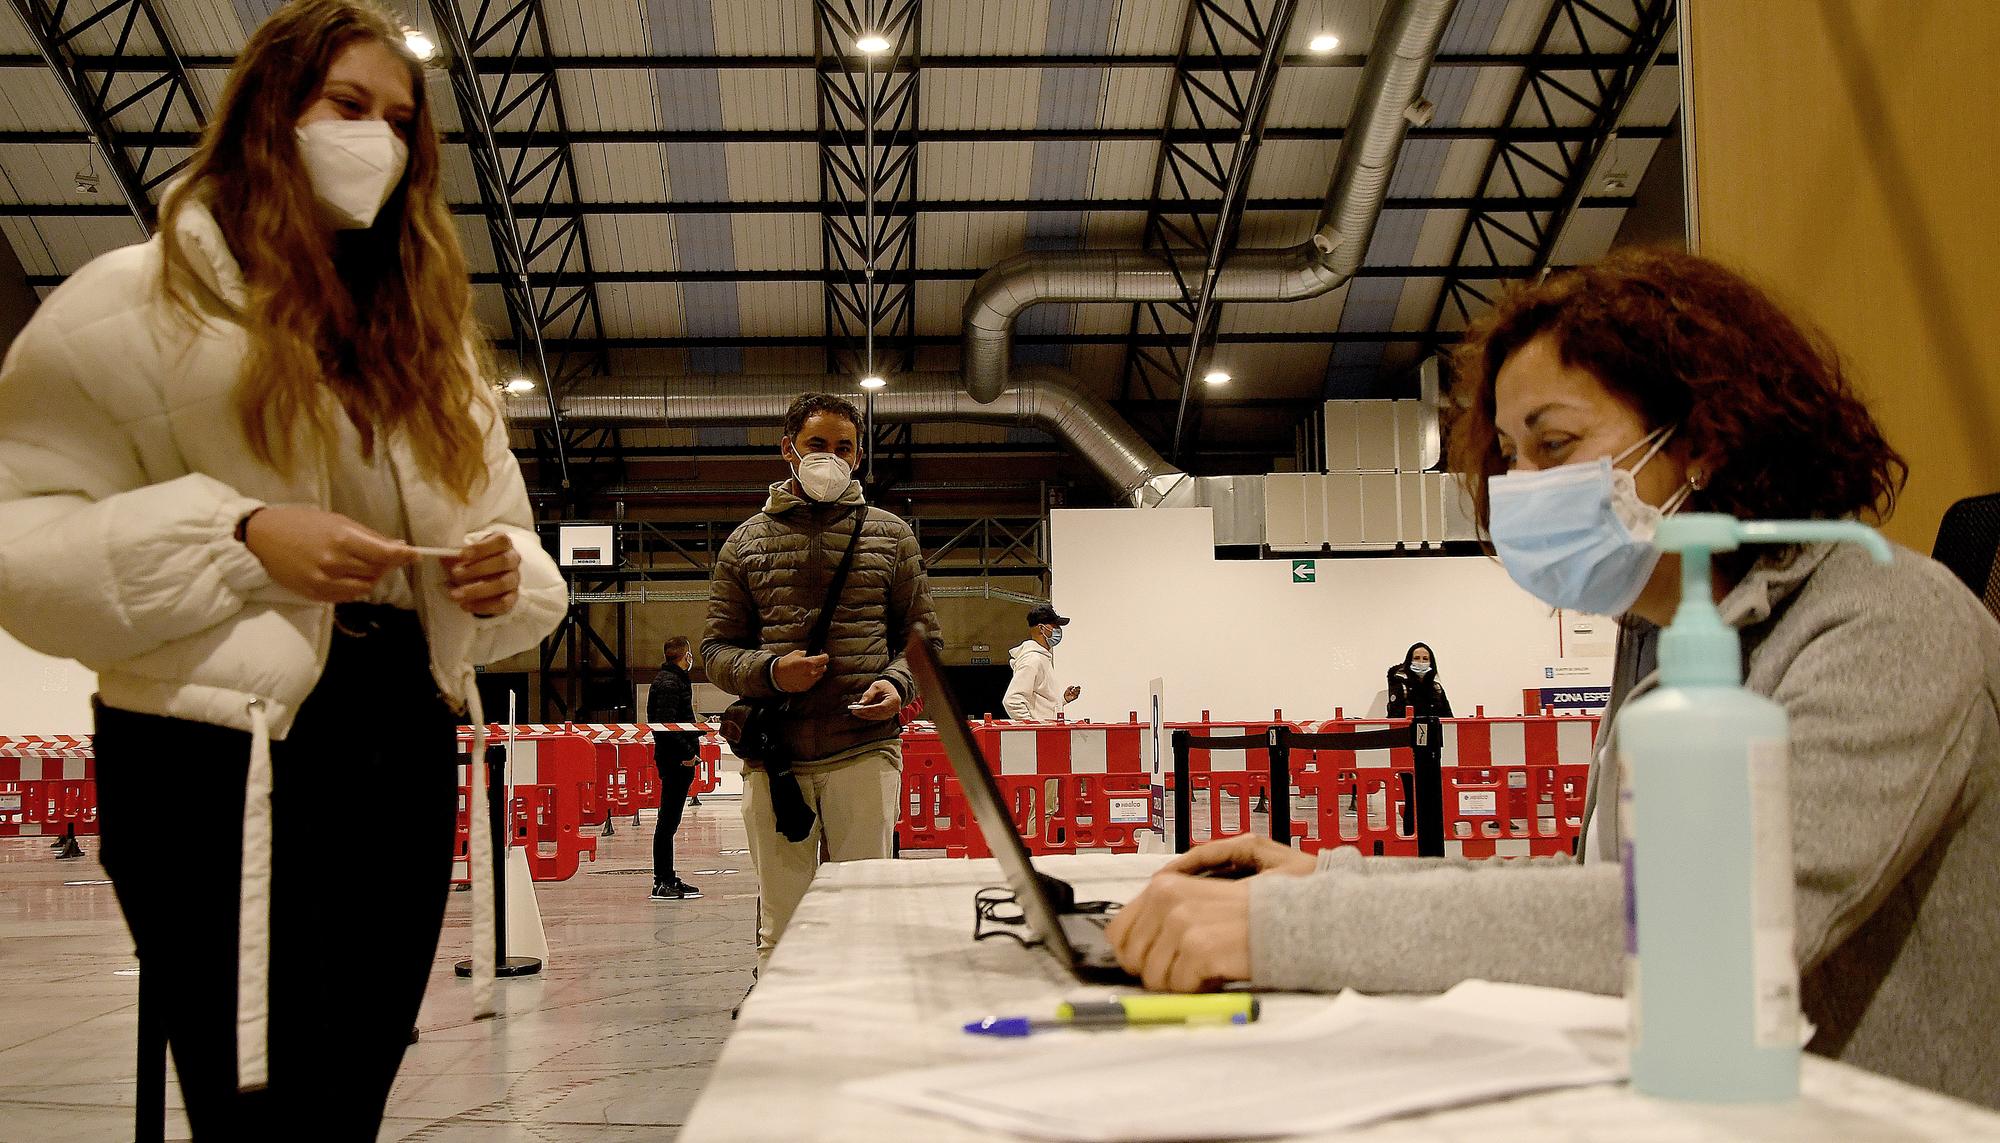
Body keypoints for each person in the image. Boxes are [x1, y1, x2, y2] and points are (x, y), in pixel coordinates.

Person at [1103, 249, 2000, 1109]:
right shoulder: (1654, 642)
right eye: (1508, 454)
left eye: (1553, 443)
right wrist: (1325, 882)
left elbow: (1708, 926)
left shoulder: (1887, 621)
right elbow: (1593, 893)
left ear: (1703, 440)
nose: (1518, 486)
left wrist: (1281, 930)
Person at [0, 2, 567, 1134]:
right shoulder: (126, 301)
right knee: (256, 1103)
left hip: (399, 730)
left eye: (400, 120)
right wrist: (242, 535)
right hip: (214, 754)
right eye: (346, 107)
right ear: (271, 113)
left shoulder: (428, 334)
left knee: (352, 1087)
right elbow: (19, 538)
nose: (377, 140)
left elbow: (511, 534)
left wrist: (504, 576)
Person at [703, 392, 942, 967]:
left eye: (843, 448)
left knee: (867, 909)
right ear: (788, 449)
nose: (829, 457)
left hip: (862, 749)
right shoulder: (745, 542)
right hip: (774, 757)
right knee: (781, 918)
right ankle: (781, 1023)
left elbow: (922, 641)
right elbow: (714, 651)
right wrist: (770, 672)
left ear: (858, 457)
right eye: (817, 445)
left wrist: (897, 685)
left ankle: (863, 1021)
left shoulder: (892, 536)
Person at [648, 636, 704, 901]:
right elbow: (666, 727)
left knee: (670, 822)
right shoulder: (670, 683)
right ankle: (662, 881)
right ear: (684, 655)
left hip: (678, 760)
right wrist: (688, 754)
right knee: (667, 822)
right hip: (675, 762)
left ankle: (667, 877)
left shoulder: (674, 680)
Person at [1003, 604, 1082, 720]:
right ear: (1041, 628)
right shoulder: (1032, 659)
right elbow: (1012, 700)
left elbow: (1039, 702)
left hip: (1046, 733)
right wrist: (1032, 728)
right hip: (1041, 736)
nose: (1058, 630)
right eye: (1055, 626)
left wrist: (1062, 701)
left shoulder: (1042, 657)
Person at [1384, 641, 1452, 718]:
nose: (1421, 662)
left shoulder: (1437, 688)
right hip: (1407, 729)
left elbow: (1449, 718)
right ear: (1409, 661)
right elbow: (1395, 716)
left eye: (1425, 659)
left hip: (1434, 729)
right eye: (1416, 658)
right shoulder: (1400, 685)